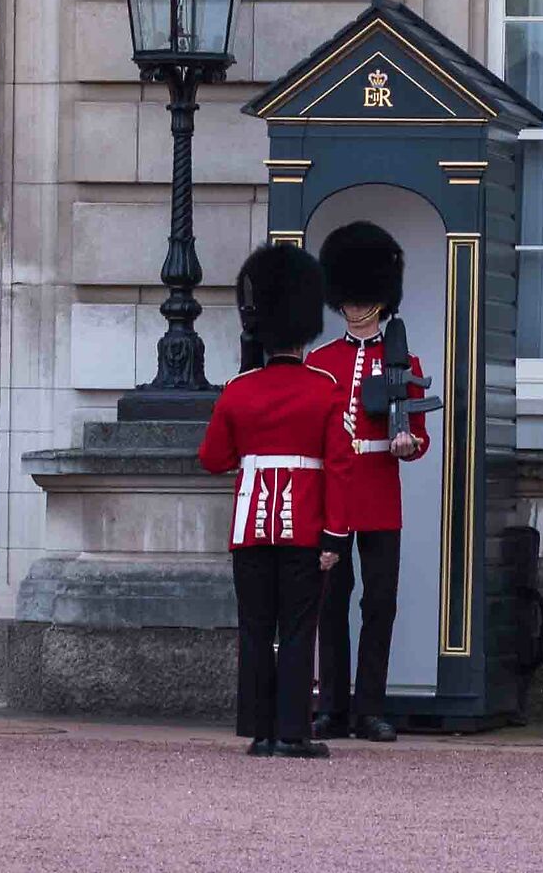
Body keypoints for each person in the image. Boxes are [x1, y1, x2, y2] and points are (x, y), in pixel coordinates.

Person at [200, 243, 349, 758]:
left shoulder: (239, 389)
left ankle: (260, 733)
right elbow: (341, 466)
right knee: (299, 628)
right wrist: (334, 534)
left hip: (250, 528)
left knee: (256, 629)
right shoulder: (324, 388)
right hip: (305, 525)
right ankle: (293, 732)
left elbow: (213, 458)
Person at [307, 221, 429, 743]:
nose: (356, 307)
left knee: (379, 602)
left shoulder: (405, 359)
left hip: (380, 491)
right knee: (332, 601)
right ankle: (331, 704)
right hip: (334, 496)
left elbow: (419, 437)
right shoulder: (321, 361)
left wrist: (408, 446)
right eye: (349, 297)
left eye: (364, 296)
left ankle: (369, 707)